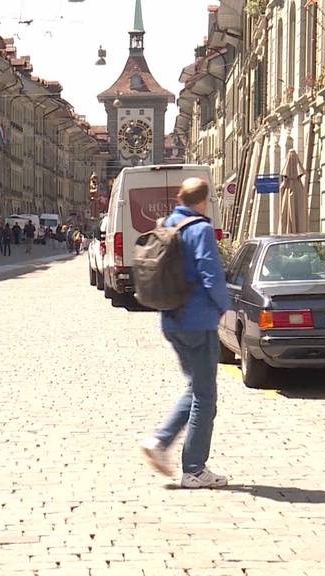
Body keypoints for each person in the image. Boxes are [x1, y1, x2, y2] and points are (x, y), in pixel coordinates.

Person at [141, 178, 231, 489]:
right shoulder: (200, 229)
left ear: (181, 196)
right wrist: (224, 306)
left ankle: (160, 442)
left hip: (172, 319)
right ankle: (193, 468)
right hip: (198, 321)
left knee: (196, 388)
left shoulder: (168, 223)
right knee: (205, 397)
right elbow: (210, 272)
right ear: (205, 201)